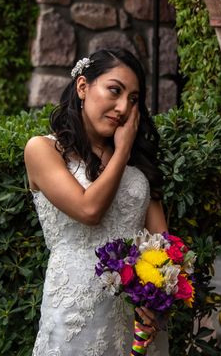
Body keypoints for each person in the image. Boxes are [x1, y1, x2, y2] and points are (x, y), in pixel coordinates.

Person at [25, 48, 169, 355]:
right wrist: (122, 152)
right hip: (76, 314)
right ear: (82, 87)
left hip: (137, 317)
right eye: (114, 90)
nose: (122, 107)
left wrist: (158, 297)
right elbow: (88, 209)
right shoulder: (42, 150)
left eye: (132, 99)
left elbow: (162, 243)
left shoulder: (139, 162)